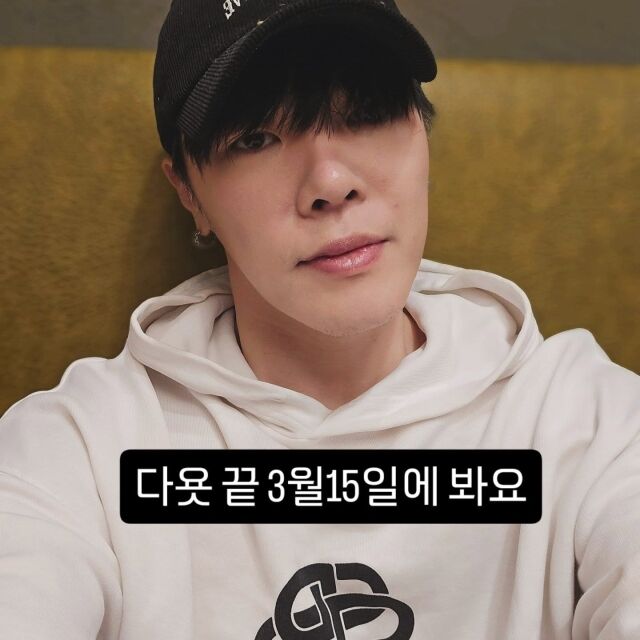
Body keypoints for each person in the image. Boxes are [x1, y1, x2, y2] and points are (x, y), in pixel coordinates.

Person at [1, 0, 639, 638]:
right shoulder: (81, 450)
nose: (330, 183)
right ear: (189, 191)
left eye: (365, 111)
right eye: (255, 137)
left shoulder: (586, 420)